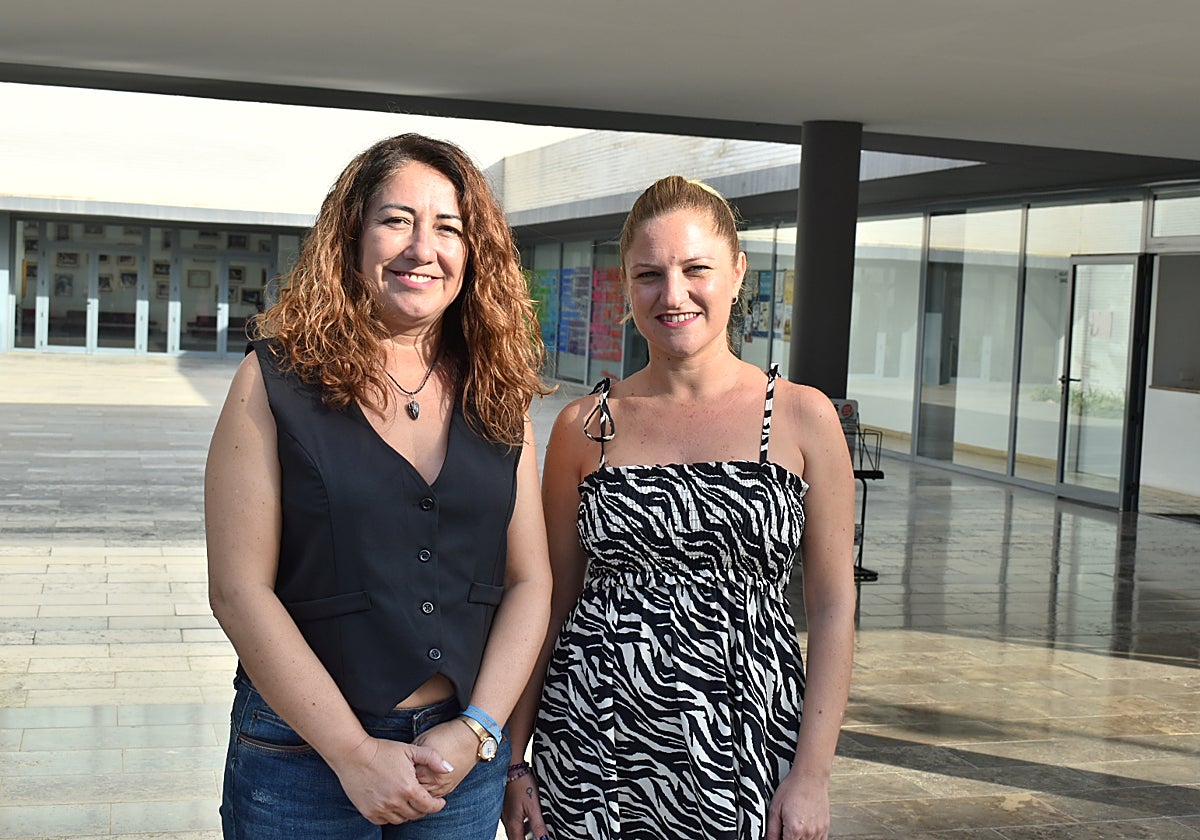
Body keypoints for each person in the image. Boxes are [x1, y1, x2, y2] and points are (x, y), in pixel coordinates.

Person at [206, 133, 553, 839]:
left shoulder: (499, 392)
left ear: (473, 252)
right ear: (353, 237)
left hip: (459, 765)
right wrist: (353, 753)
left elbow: (531, 582)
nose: (423, 248)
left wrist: (480, 730)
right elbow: (239, 590)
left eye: (448, 228)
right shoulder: (271, 381)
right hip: (301, 761)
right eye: (397, 220)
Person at [503, 176, 857, 840]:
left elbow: (835, 607)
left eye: (696, 269)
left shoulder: (803, 418)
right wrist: (515, 760)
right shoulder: (586, 426)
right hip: (593, 744)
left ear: (737, 272)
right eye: (649, 275)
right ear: (626, 285)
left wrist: (812, 774)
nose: (673, 294)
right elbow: (546, 605)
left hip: (750, 743)